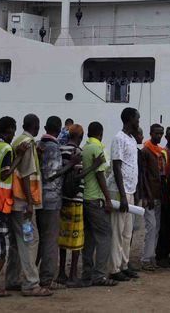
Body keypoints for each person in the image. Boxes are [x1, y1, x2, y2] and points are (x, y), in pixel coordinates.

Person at [0, 116, 28, 297]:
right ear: (9, 131)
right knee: (2, 249)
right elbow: (5, 174)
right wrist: (19, 156)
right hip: (1, 204)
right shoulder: (6, 149)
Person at [5, 114, 50, 297]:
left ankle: (12, 279)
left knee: (17, 242)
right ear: (36, 126)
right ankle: (31, 284)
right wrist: (30, 203)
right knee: (30, 240)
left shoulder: (18, 140)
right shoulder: (29, 143)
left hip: (16, 200)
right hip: (24, 202)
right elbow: (26, 174)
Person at [58, 123, 100, 288]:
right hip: (75, 199)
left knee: (62, 236)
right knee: (76, 239)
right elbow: (77, 176)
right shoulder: (77, 152)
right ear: (80, 137)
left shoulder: (61, 149)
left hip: (62, 198)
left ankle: (61, 272)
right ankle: (73, 275)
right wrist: (93, 167)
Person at [81, 121, 118, 287]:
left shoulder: (85, 148)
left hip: (85, 198)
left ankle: (87, 273)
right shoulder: (97, 149)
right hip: (95, 198)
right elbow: (100, 175)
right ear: (100, 134)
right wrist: (108, 199)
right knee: (105, 235)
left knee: (89, 237)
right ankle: (100, 275)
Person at [108, 107, 140, 282]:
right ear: (129, 119)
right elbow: (116, 166)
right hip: (120, 191)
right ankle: (114, 268)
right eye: (137, 118)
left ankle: (124, 264)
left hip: (130, 190)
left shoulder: (132, 140)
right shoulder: (119, 138)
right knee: (117, 232)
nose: (138, 121)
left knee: (127, 232)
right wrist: (121, 195)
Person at [36, 116, 65, 289]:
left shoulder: (39, 144)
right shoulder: (53, 147)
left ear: (46, 127)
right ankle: (47, 279)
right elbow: (52, 174)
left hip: (39, 197)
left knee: (41, 239)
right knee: (50, 240)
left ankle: (33, 274)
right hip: (51, 198)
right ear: (59, 130)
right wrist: (70, 165)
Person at [139, 123, 166, 271]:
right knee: (151, 226)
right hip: (149, 195)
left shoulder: (160, 152)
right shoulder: (146, 151)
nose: (159, 136)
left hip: (158, 194)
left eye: (161, 133)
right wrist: (147, 195)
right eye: (156, 133)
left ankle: (151, 256)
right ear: (151, 133)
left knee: (156, 228)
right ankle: (145, 259)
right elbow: (143, 175)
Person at [156, 126, 170, 268]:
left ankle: (166, 254)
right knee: (164, 227)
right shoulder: (164, 153)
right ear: (166, 137)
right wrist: (165, 197)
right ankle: (160, 255)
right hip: (166, 192)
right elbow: (162, 177)